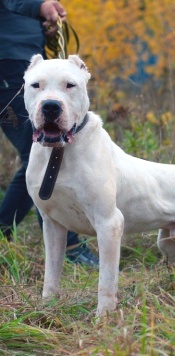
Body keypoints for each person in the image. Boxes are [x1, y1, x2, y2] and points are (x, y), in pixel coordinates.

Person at [0, 0, 99, 267]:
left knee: (40, 156)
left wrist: (45, 30)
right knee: (41, 155)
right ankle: (71, 246)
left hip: (21, 59)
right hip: (8, 63)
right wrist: (39, 6)